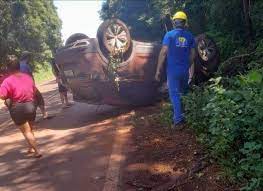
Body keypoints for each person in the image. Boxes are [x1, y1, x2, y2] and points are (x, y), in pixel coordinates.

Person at [155, 11, 195, 129]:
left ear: (174, 22)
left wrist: (158, 70)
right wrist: (188, 66)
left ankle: (178, 121)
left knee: (175, 95)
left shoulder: (169, 35)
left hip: (172, 71)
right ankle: (186, 116)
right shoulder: (190, 36)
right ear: (185, 23)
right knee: (184, 93)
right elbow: (193, 54)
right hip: (184, 71)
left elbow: (163, 52)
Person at [0, 55, 42, 158]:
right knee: (30, 129)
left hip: (18, 108)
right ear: (19, 66)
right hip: (31, 105)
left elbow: (2, 96)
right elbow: (35, 91)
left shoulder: (7, 81)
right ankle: (31, 147)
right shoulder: (27, 77)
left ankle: (37, 150)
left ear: (8, 68)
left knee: (26, 131)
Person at [19, 51, 48, 119]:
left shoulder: (18, 65)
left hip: (20, 87)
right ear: (27, 57)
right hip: (29, 85)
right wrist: (33, 86)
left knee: (27, 101)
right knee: (39, 98)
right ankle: (44, 113)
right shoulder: (25, 65)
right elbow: (30, 77)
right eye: (30, 57)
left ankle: (30, 118)